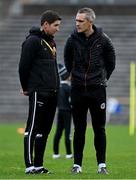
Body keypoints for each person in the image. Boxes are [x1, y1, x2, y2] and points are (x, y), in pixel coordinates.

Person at [64, 7, 115, 174]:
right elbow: (67, 60)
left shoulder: (104, 40)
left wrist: (101, 78)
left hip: (97, 90)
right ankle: (77, 165)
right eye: (76, 20)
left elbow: (111, 62)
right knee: (79, 128)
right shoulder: (72, 40)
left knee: (99, 128)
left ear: (90, 22)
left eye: (80, 21)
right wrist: (76, 77)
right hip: (78, 90)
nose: (77, 23)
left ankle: (102, 165)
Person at [19, 10, 61, 174]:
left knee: (45, 131)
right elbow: (23, 67)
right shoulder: (32, 41)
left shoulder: (52, 43)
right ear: (45, 25)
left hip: (53, 92)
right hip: (38, 91)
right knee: (33, 128)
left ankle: (38, 165)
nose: (58, 29)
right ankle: (29, 166)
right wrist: (25, 87)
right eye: (55, 25)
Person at [53, 64, 73, 159]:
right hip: (67, 112)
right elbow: (71, 101)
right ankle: (69, 153)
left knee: (58, 132)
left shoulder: (58, 87)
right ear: (67, 76)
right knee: (67, 132)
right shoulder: (68, 88)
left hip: (59, 111)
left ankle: (56, 153)